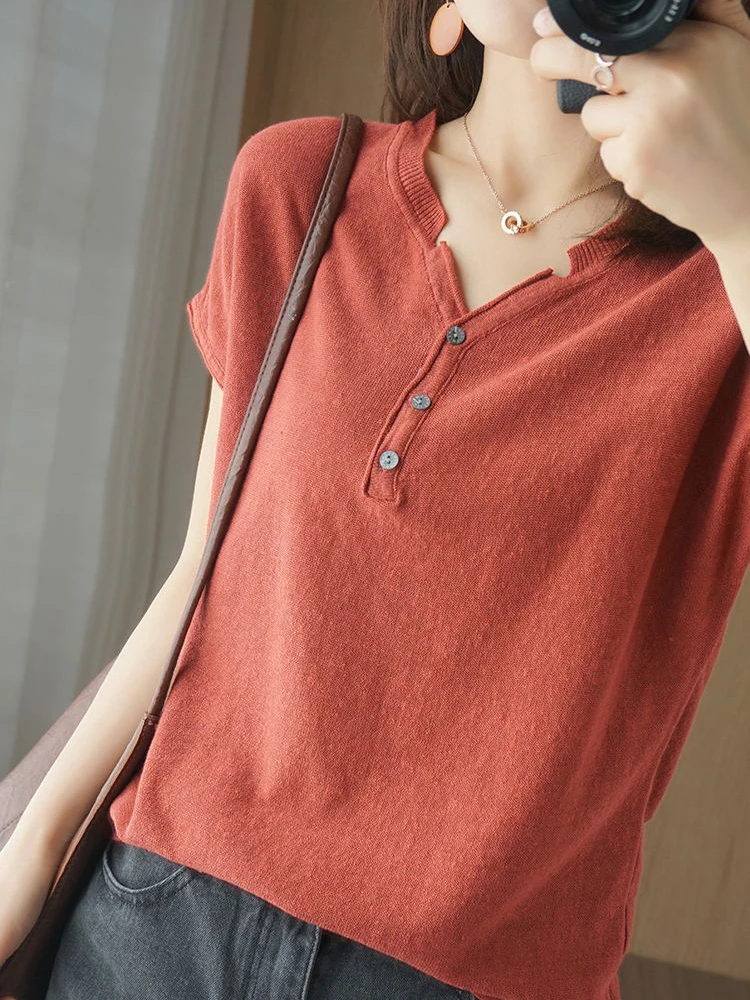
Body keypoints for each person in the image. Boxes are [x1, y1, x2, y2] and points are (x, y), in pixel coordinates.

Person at [2, 1, 749, 998]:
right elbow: (201, 577)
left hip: (471, 974)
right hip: (156, 919)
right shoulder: (300, 181)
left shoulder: (724, 293)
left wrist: (740, 212)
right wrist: (32, 850)